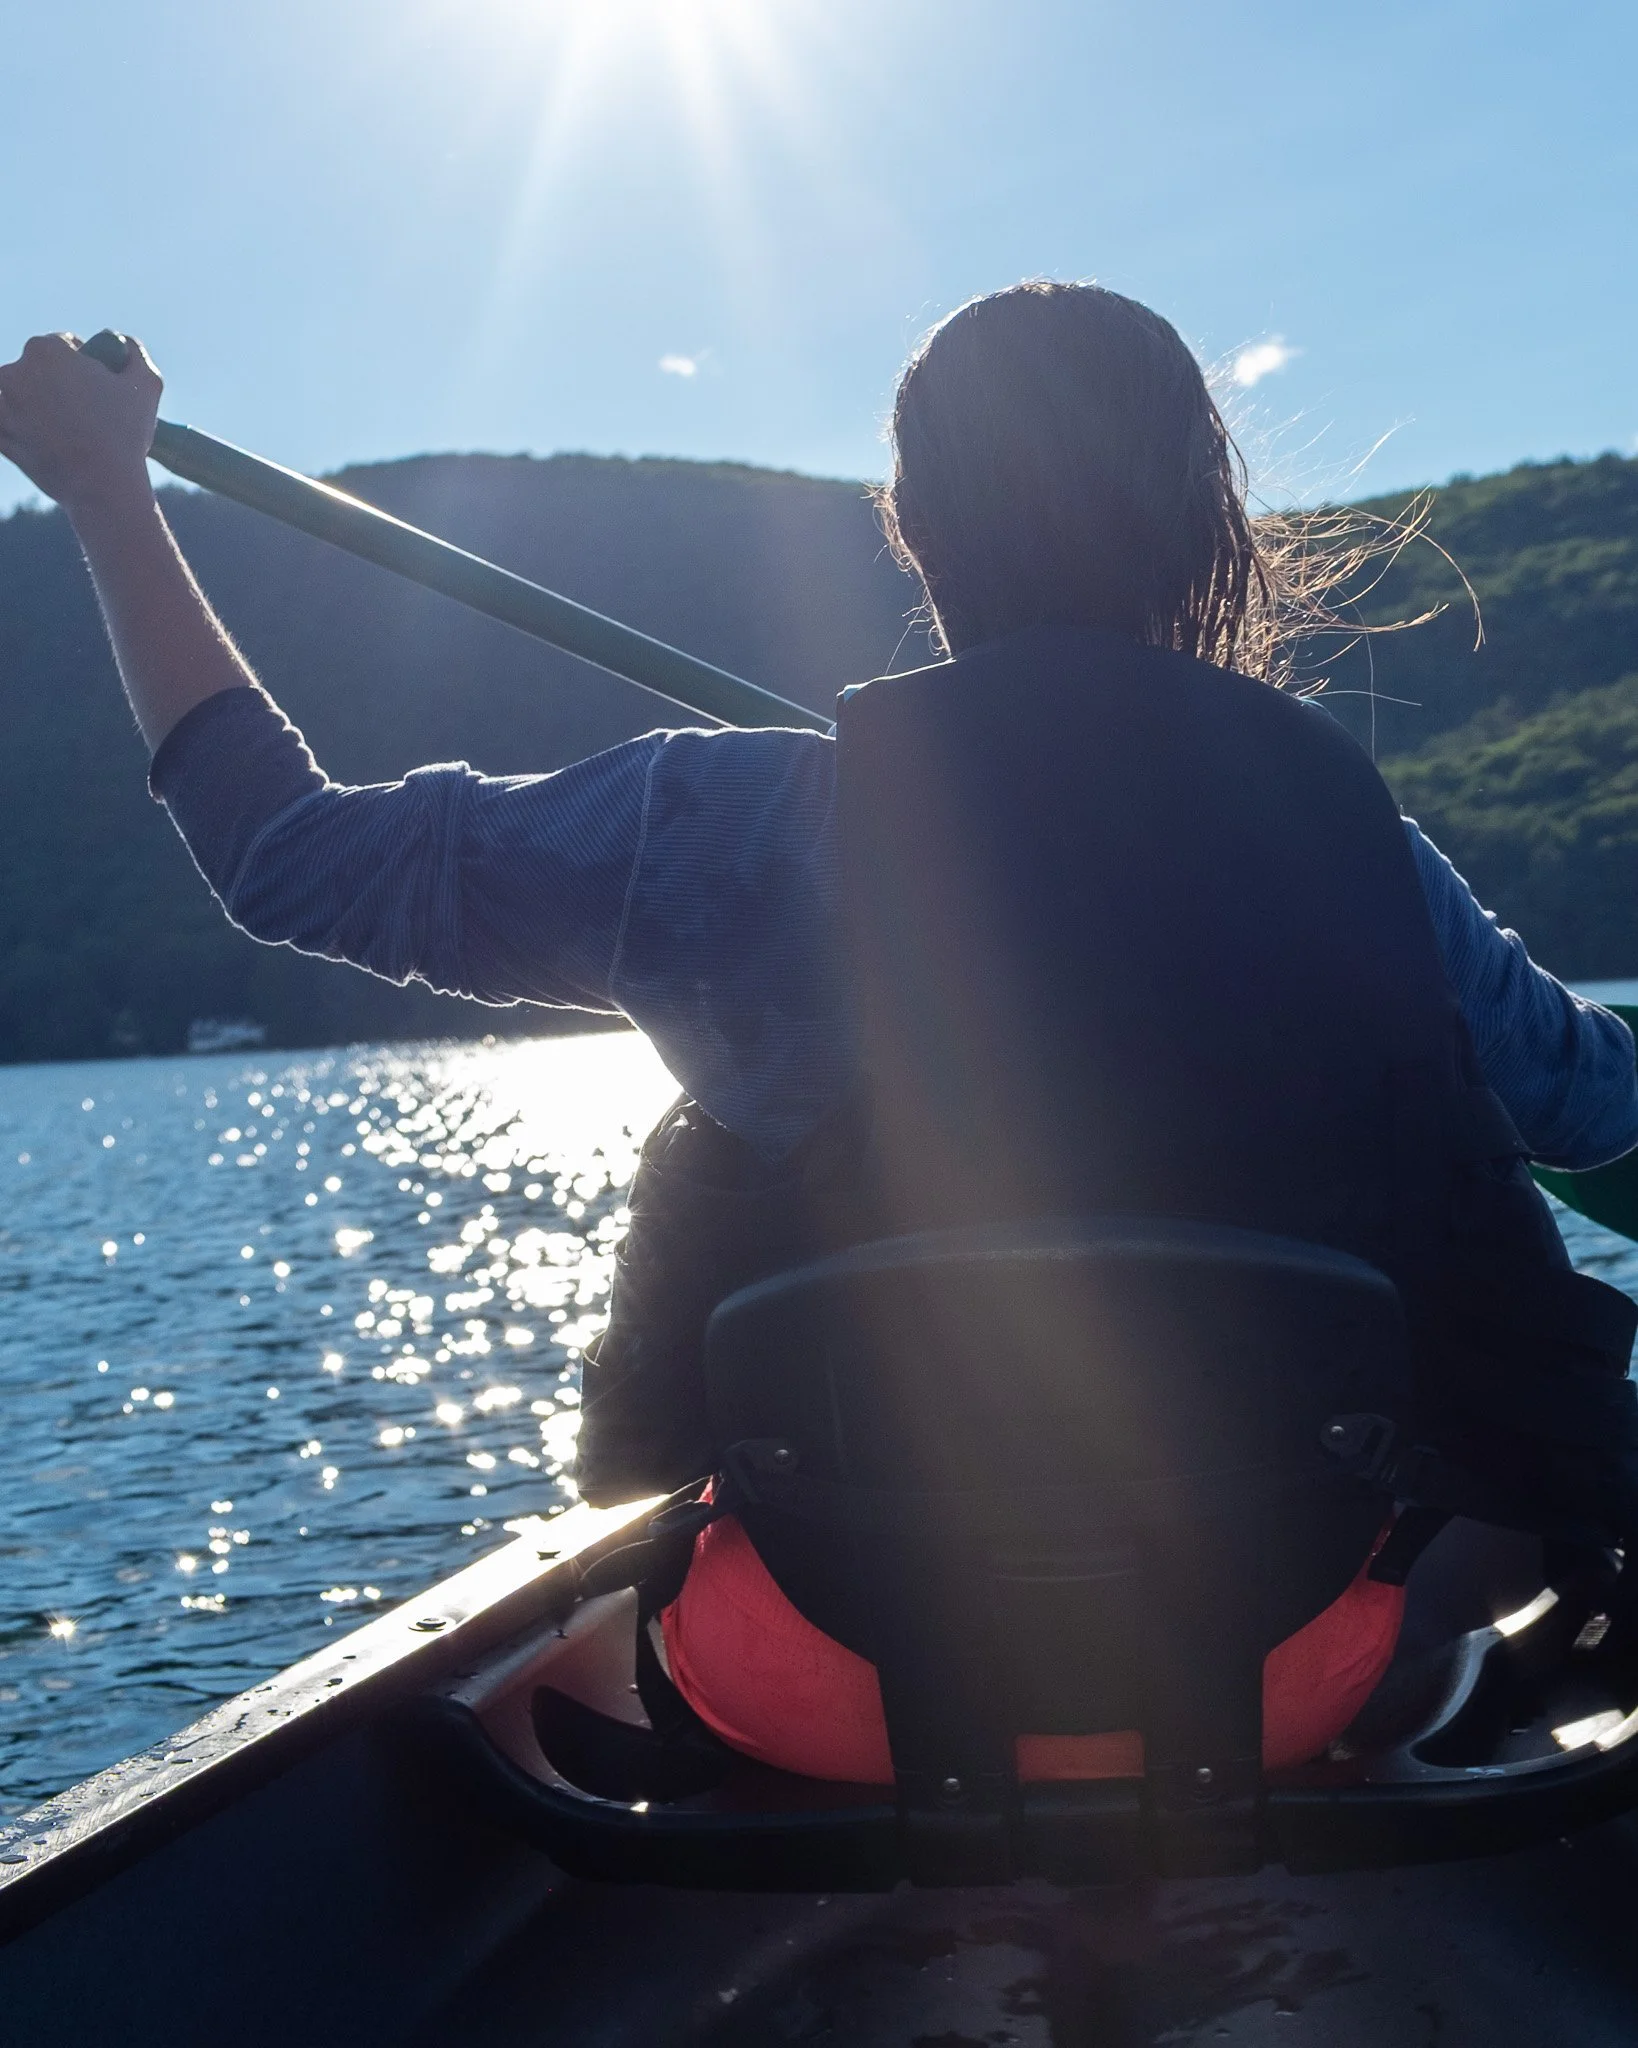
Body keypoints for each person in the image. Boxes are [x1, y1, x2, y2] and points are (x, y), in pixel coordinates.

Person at [2, 283, 1635, 1789]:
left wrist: (108, 493)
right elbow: (1586, 1102)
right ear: (1213, 531)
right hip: (1295, 1676)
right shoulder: (1353, 851)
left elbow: (286, 856)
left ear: (912, 527)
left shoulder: (708, 821)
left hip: (831, 1680)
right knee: (1512, 1490)